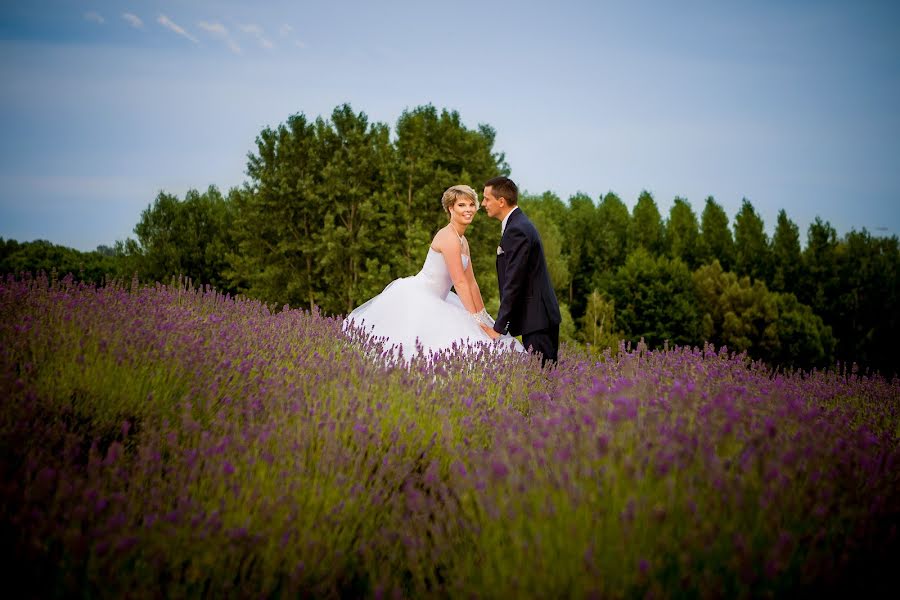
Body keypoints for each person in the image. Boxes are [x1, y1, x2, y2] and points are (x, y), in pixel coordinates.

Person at [344, 184, 523, 359]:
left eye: (471, 204)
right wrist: (474, 320)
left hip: (442, 298)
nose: (468, 209)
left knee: (483, 334)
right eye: (462, 205)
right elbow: (459, 282)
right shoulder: (448, 237)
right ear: (450, 208)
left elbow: (471, 282)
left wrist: (483, 315)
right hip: (421, 296)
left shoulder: (463, 241)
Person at [479, 176, 562, 366]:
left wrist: (499, 328)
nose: (483, 204)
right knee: (541, 382)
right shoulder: (517, 224)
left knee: (542, 383)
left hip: (537, 321)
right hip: (535, 319)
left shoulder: (517, 230)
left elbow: (514, 281)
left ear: (501, 202)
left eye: (486, 198)